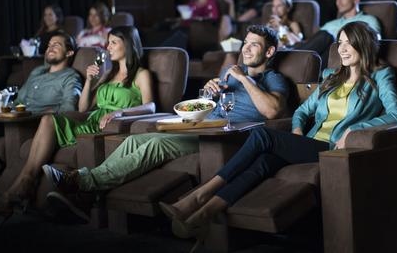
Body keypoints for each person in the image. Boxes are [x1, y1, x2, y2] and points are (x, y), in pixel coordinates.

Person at [158, 21, 397, 248]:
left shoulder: (381, 76)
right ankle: (203, 214)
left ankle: (199, 195)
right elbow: (302, 112)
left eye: (350, 42)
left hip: (334, 149)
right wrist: (297, 131)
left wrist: (353, 129)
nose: (343, 49)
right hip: (310, 143)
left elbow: (396, 115)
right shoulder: (331, 77)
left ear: (364, 44)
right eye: (340, 42)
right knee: (263, 163)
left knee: (263, 135)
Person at [41, 25, 290, 221]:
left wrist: (243, 78)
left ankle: (80, 181)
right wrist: (209, 91)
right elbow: (207, 105)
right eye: (245, 43)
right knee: (135, 141)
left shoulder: (274, 79)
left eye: (253, 45)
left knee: (154, 146)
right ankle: (86, 195)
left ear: (269, 52)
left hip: (230, 138)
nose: (245, 49)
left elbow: (272, 111)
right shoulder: (229, 74)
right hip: (203, 127)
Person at [0, 26, 155, 219]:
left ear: (127, 45)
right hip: (91, 119)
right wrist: (89, 81)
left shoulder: (141, 74)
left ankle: (16, 193)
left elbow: (151, 106)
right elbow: (83, 108)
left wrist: (120, 112)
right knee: (47, 119)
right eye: (108, 42)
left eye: (113, 42)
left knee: (51, 121)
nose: (108, 47)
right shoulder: (108, 74)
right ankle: (24, 183)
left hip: (108, 127)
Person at [0, 32, 82, 165]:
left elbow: (69, 109)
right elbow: (18, 101)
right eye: (49, 45)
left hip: (31, 123)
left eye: (56, 45)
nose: (50, 48)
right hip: (13, 118)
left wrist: (41, 112)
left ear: (69, 53)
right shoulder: (37, 72)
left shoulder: (71, 77)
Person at [296, 0, 381, 66]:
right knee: (324, 35)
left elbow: (374, 41)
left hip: (342, 58)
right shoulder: (330, 24)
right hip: (316, 61)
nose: (338, 2)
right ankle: (294, 58)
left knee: (327, 36)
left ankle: (293, 57)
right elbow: (314, 43)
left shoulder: (369, 20)